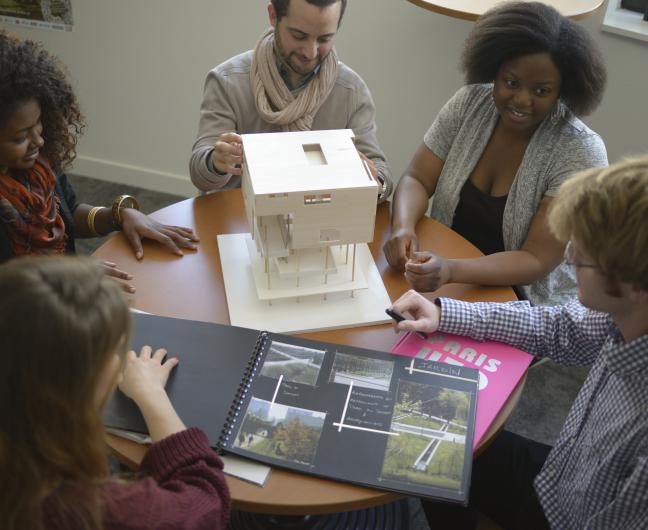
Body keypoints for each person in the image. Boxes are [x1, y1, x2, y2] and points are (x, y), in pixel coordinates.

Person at [389, 156, 648, 529]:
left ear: (636, 286)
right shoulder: (622, 314)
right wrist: (444, 314)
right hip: (561, 475)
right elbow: (560, 327)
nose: (569, 257)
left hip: (570, 519)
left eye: (584, 258)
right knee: (432, 448)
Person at [384, 2, 608, 305]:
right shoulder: (469, 104)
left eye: (541, 91)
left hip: (522, 306)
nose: (522, 100)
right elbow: (418, 177)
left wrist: (451, 270)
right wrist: (403, 227)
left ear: (562, 90)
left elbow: (535, 261)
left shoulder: (580, 151)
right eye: (511, 83)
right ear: (495, 70)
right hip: (441, 283)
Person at [0, 255, 231, 529]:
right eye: (117, 348)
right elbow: (204, 503)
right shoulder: (90, 510)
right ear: (78, 385)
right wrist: (152, 395)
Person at [0, 31, 199, 291]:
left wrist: (118, 215)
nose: (37, 142)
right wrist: (64, 274)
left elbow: (69, 213)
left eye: (38, 126)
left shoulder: (38, 165)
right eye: (20, 138)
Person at [189, 0, 393, 201]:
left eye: (324, 39)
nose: (310, 52)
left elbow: (383, 177)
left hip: (319, 219)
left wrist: (375, 184)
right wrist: (215, 163)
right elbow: (200, 174)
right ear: (273, 16)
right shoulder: (228, 81)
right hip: (239, 219)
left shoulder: (351, 92)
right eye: (299, 36)